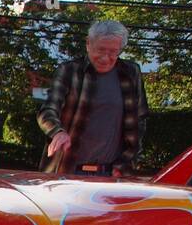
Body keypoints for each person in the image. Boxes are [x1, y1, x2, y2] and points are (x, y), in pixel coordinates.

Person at [37, 21, 148, 177]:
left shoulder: (131, 73)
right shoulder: (70, 71)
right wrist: (57, 132)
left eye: (113, 52)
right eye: (101, 50)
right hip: (68, 170)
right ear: (88, 44)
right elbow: (47, 111)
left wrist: (129, 159)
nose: (105, 58)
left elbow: (139, 120)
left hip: (113, 172)